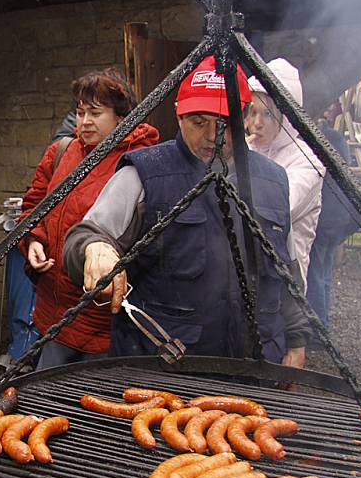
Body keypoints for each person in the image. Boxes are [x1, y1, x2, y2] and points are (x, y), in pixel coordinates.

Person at [63, 55, 310, 367]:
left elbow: (287, 269)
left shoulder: (274, 180)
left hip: (256, 366)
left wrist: (296, 338)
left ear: (244, 117)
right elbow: (84, 236)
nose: (212, 136)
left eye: (224, 124)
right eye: (199, 122)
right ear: (179, 116)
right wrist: (95, 249)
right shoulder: (144, 174)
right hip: (165, 370)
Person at [20, 68, 158, 369]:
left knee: (96, 404)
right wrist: (33, 240)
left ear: (121, 117)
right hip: (55, 313)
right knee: (47, 400)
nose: (84, 122)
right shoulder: (61, 151)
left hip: (104, 320)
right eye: (80, 112)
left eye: (95, 113)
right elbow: (33, 205)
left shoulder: (141, 163)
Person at [246, 58, 325, 286]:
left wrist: (242, 160)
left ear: (286, 116)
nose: (257, 123)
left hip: (284, 280)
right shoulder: (245, 148)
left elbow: (278, 208)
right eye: (252, 113)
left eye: (268, 114)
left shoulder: (308, 159)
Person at [306, 122, 361, 329]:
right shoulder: (338, 150)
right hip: (338, 222)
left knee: (316, 275)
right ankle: (324, 320)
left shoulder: (323, 150)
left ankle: (318, 329)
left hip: (325, 223)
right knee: (325, 273)